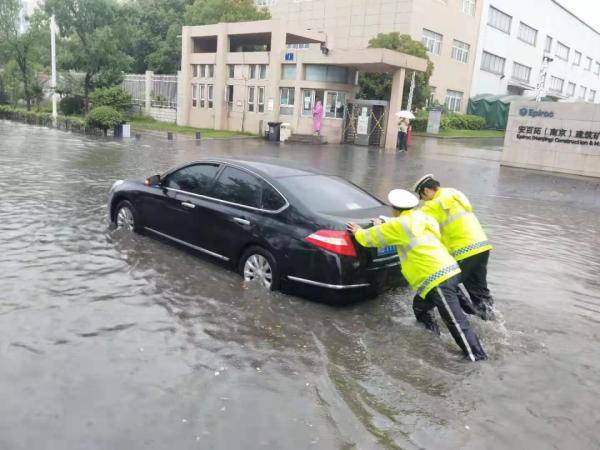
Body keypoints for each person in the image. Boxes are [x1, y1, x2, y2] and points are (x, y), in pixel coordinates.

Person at [347, 189, 487, 361]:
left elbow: (371, 238)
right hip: (447, 270)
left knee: (455, 321)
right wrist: (384, 223)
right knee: (420, 307)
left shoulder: (400, 226)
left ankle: (477, 357)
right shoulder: (422, 218)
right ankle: (433, 336)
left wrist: (358, 231)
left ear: (394, 209)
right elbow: (401, 228)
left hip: (436, 278)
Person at [413, 174, 494, 320]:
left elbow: (410, 221)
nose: (423, 201)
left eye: (421, 196)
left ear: (426, 190)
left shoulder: (435, 204)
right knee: (478, 291)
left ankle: (431, 319)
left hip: (465, 251)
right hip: (482, 246)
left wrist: (383, 222)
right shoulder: (454, 193)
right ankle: (490, 321)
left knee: (444, 285)